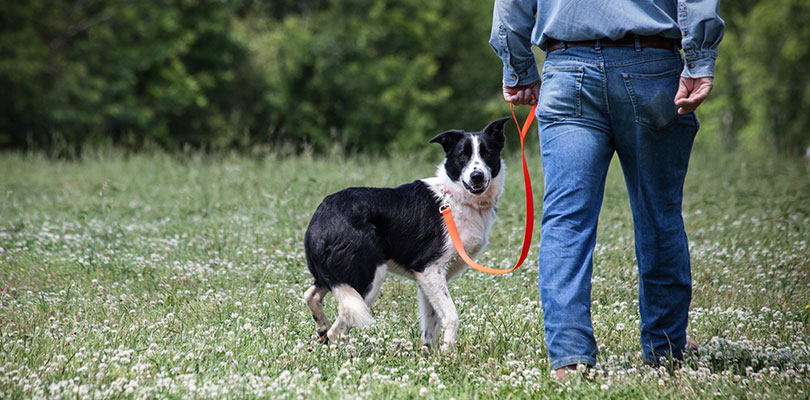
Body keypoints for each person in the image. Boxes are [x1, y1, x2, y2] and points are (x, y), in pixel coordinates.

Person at [489, 0, 724, 380]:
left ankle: (570, 358)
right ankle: (665, 348)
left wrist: (518, 67)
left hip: (567, 67)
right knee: (658, 213)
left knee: (567, 220)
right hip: (651, 64)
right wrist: (699, 59)